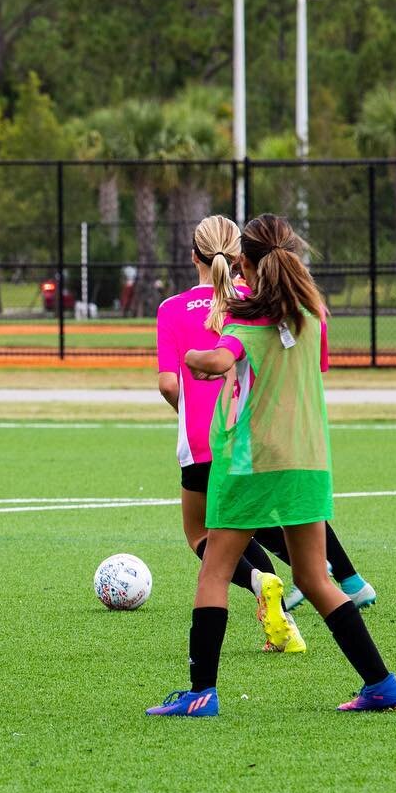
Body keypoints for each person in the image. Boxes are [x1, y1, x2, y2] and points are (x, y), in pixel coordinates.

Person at [146, 215, 396, 718]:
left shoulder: (247, 318)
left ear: (246, 260)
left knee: (214, 572)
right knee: (314, 577)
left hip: (250, 462)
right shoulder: (312, 316)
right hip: (308, 461)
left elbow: (220, 360)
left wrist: (198, 355)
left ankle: (200, 693)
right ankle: (381, 682)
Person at [156, 215, 306, 653]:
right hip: (249, 438)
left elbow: (169, 383)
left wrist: (184, 407)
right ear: (240, 256)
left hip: (201, 441)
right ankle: (281, 607)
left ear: (193, 255)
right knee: (241, 528)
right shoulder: (256, 301)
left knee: (202, 537)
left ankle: (260, 580)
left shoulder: (171, 309)